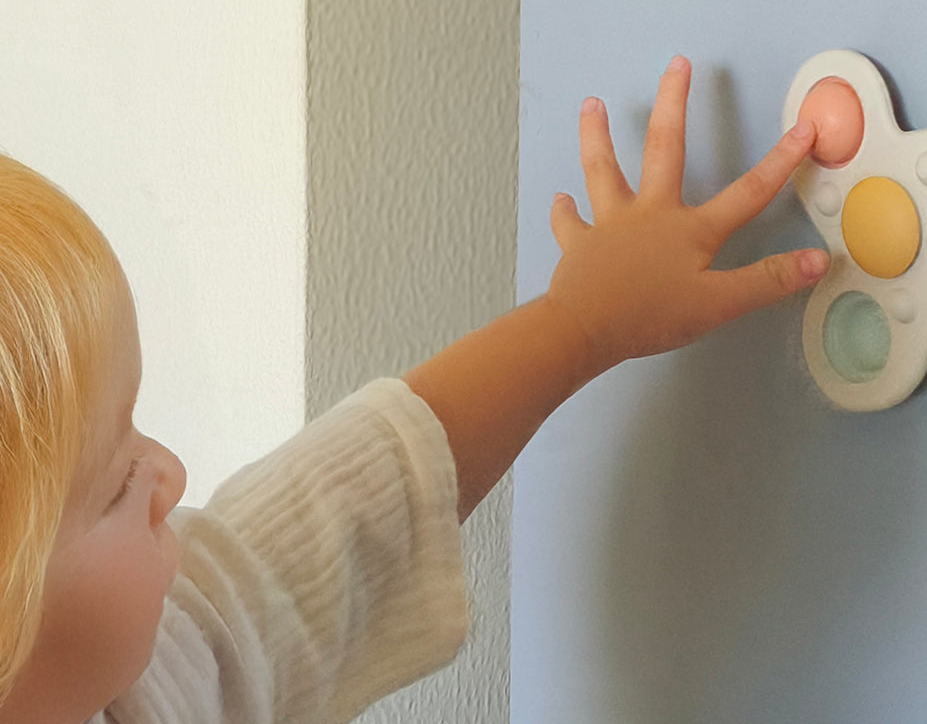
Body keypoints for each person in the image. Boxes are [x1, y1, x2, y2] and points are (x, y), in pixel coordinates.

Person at [0, 55, 829, 724]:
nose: (169, 476)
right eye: (113, 487)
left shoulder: (137, 684)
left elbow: (295, 553)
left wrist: (581, 323)